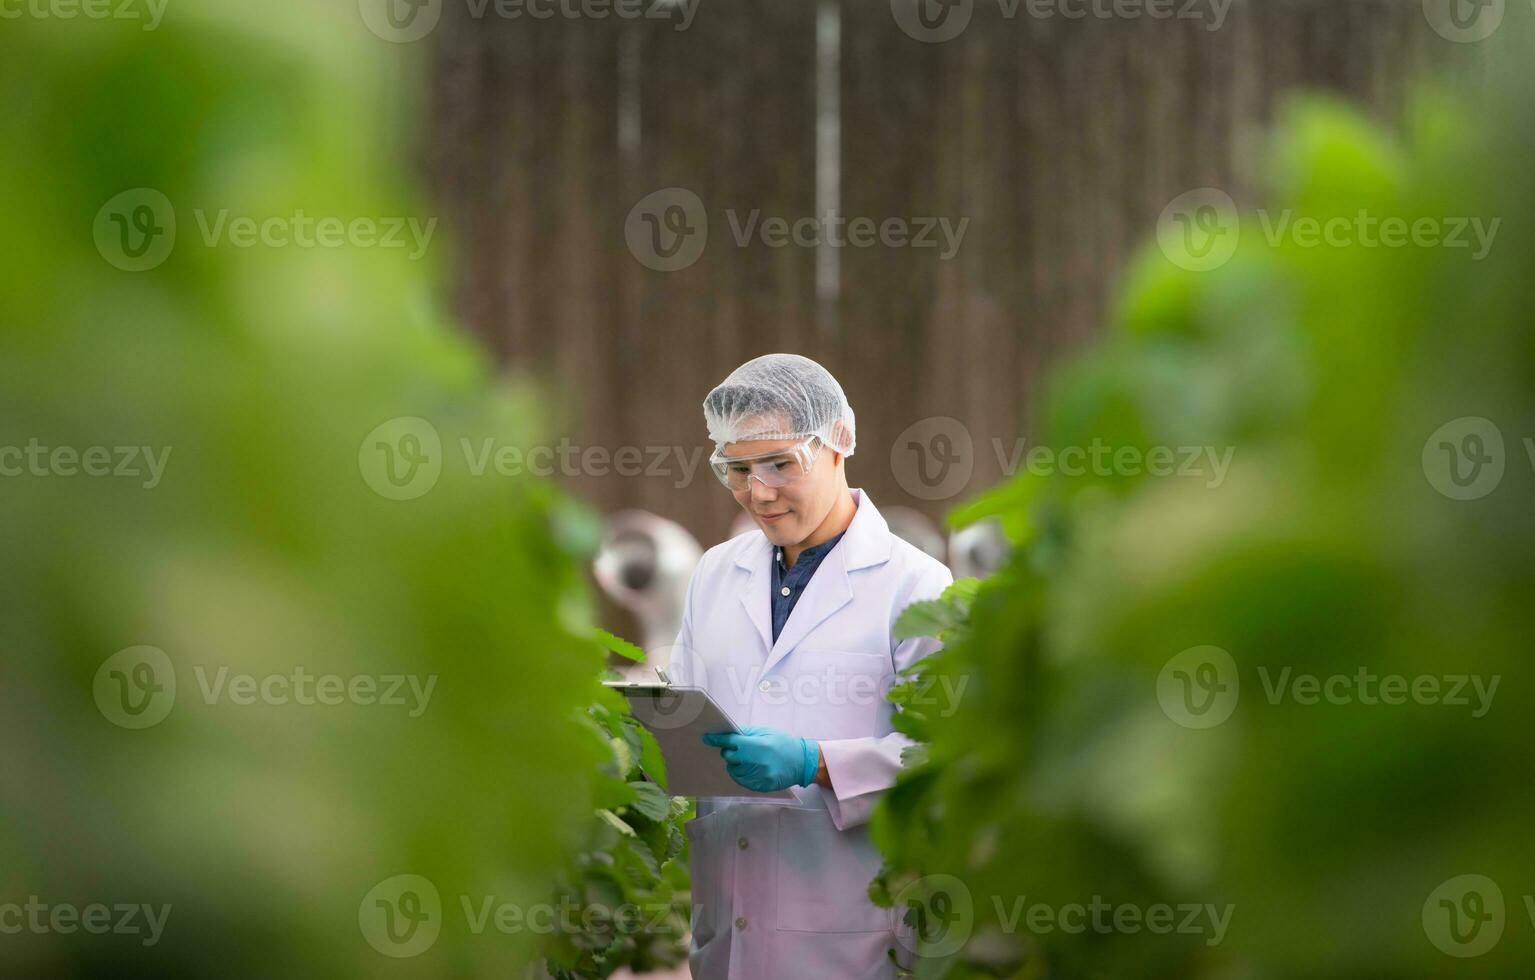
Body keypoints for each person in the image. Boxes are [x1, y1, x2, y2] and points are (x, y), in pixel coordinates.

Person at [666, 353, 953, 979]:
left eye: (779, 465)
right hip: (726, 928)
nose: (757, 493)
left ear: (839, 443)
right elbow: (681, 711)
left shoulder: (917, 586)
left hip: (848, 933)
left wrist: (817, 763)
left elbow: (944, 759)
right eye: (737, 469)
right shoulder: (716, 572)